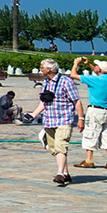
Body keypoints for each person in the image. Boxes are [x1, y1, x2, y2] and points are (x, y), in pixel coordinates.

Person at [30, 58, 82, 186]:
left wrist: (81, 118)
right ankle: (65, 172)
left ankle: (60, 174)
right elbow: (44, 101)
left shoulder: (66, 81)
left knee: (61, 145)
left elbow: (76, 100)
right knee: (54, 148)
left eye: (42, 67)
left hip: (64, 119)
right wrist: (34, 114)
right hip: (49, 119)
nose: (40, 70)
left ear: (48, 69)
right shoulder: (46, 82)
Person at [71, 57, 107, 170]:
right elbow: (101, 73)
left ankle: (89, 160)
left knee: (90, 133)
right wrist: (89, 64)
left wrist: (75, 63)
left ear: (99, 69)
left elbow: (73, 75)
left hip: (95, 110)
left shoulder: (94, 80)